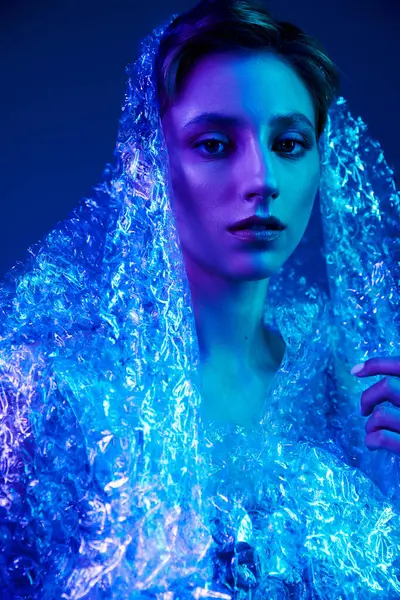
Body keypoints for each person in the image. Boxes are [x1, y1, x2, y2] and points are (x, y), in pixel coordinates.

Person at [1, 0, 400, 597]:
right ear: (149, 162)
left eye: (290, 144)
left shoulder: (350, 397)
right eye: (215, 144)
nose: (262, 178)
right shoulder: (57, 393)